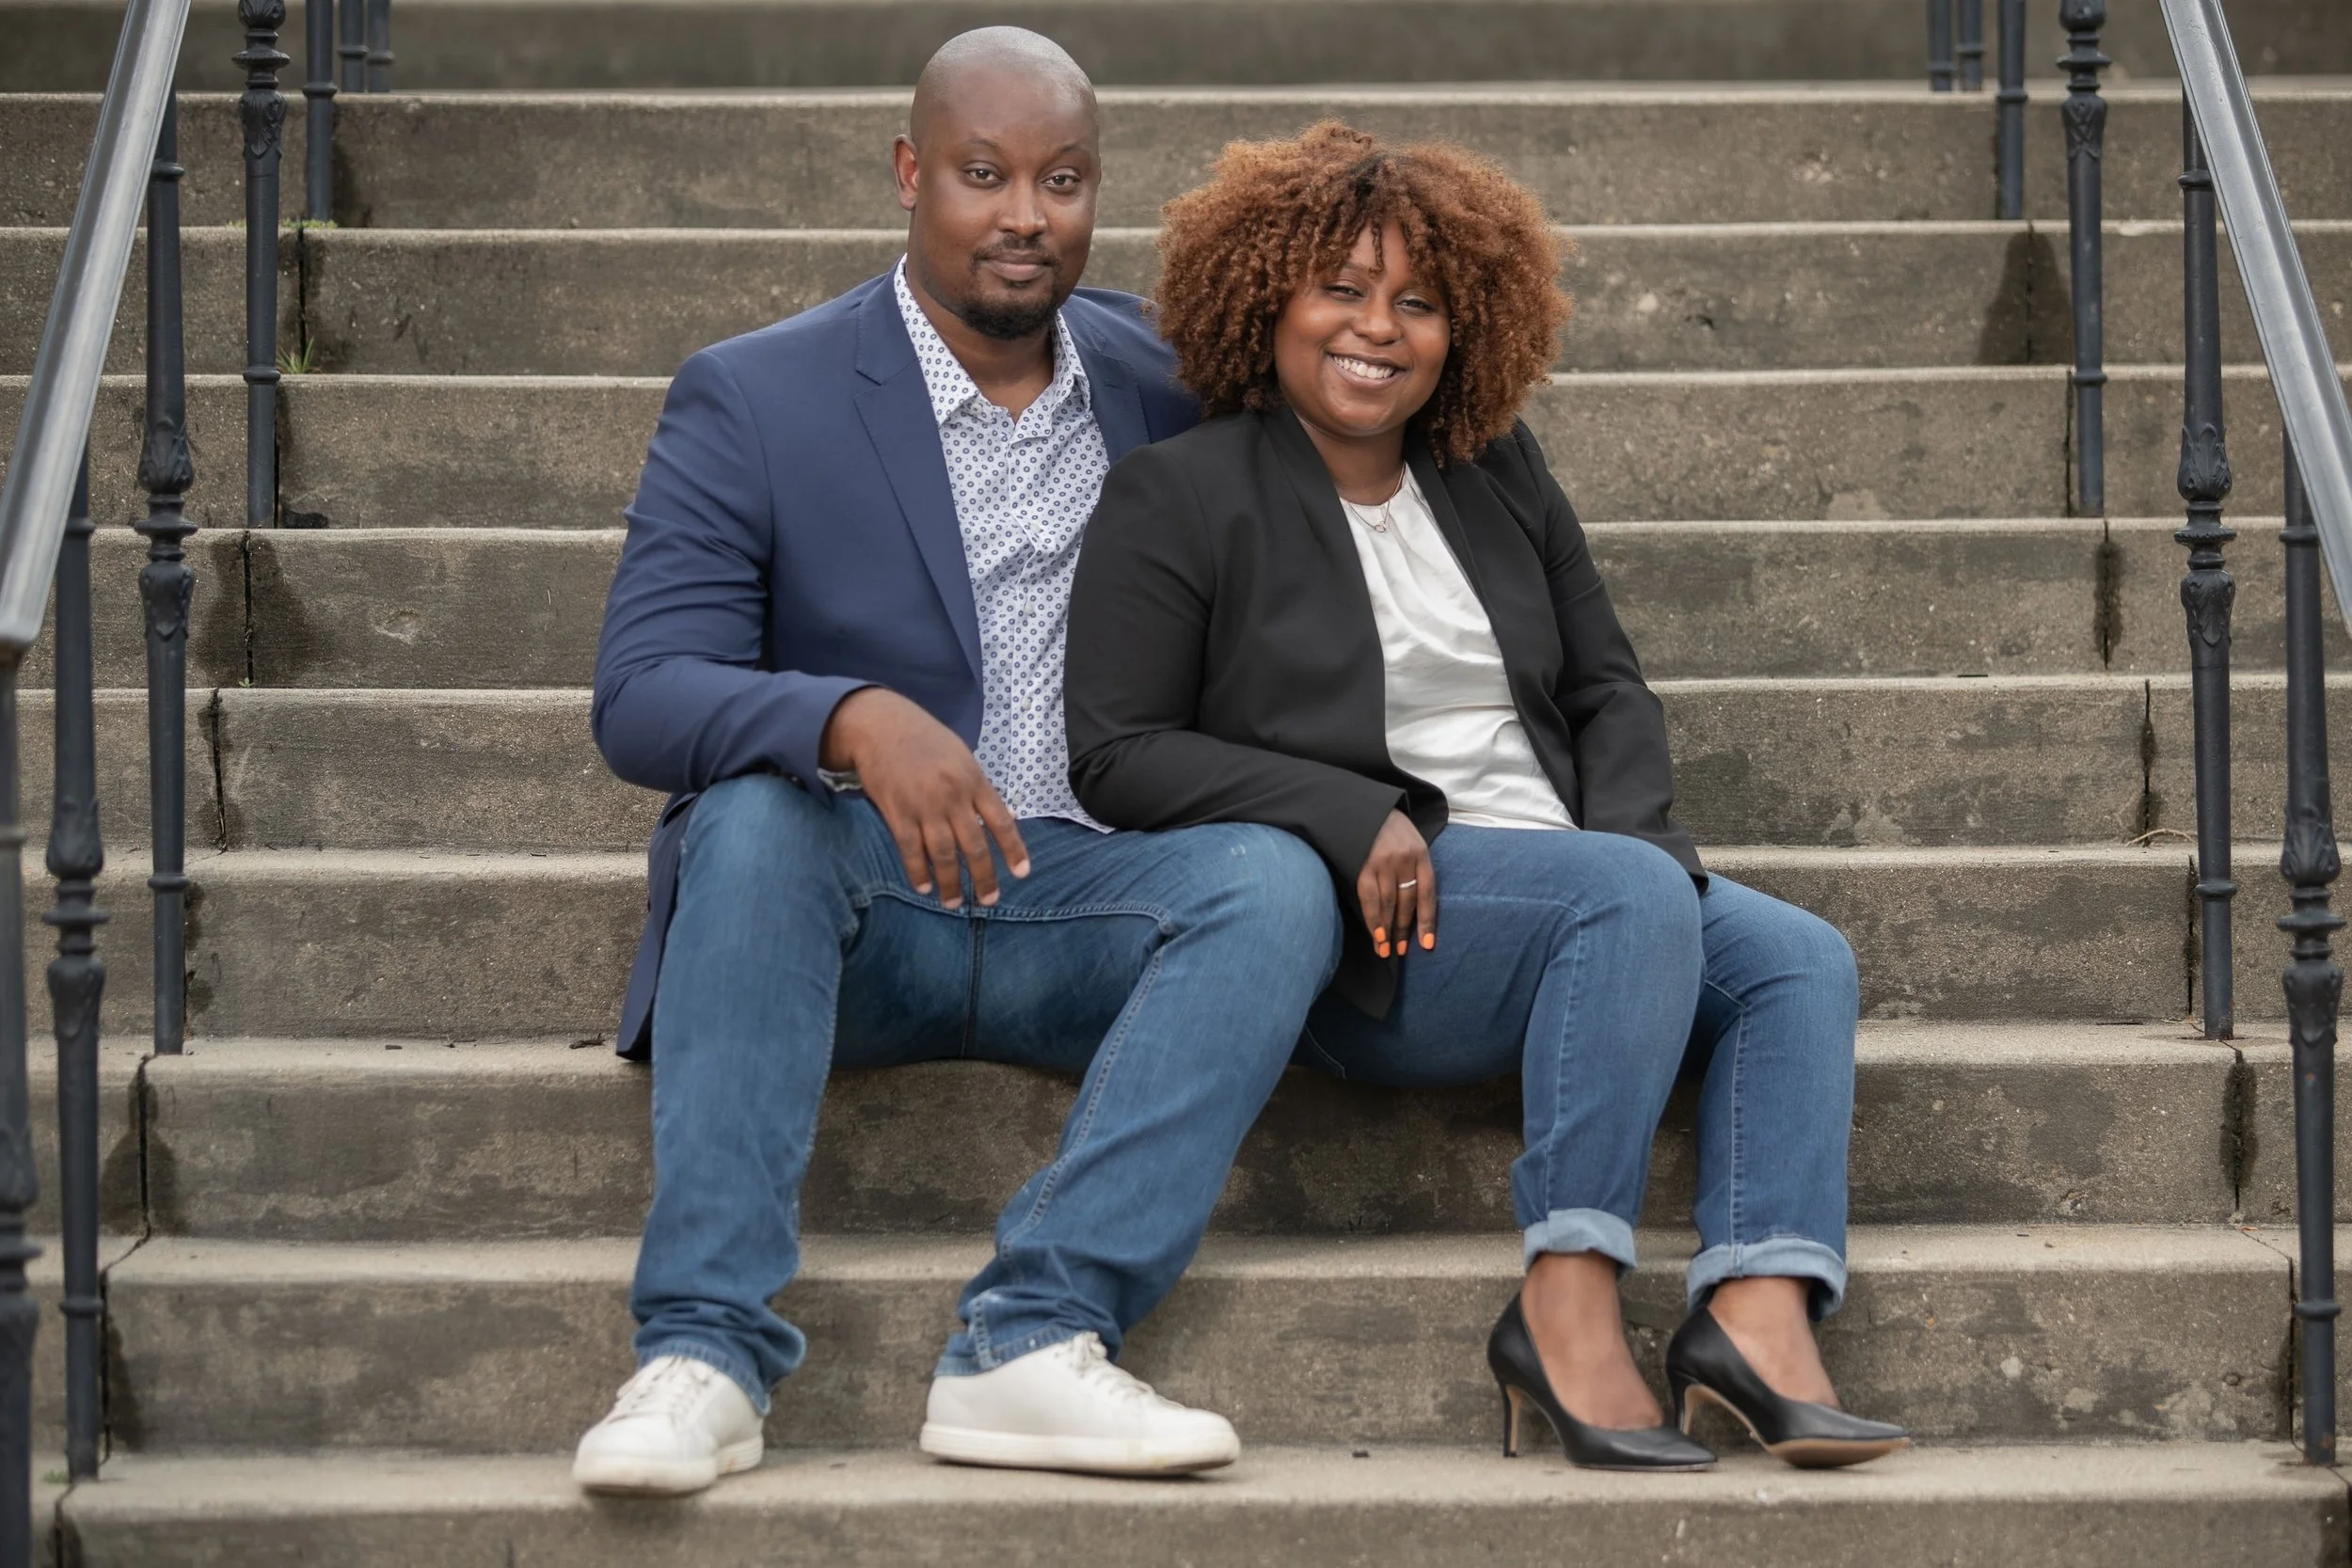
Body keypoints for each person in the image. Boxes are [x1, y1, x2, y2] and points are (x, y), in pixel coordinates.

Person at [1065, 123, 1909, 1471]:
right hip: (1379, 931)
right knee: (1635, 899)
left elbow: (1607, 690)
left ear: (1468, 328)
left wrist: (1633, 867)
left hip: (1573, 892)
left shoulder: (1493, 471)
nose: (1377, 328)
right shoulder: (1180, 493)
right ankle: (1562, 1300)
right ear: (1266, 295)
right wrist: (1347, 814)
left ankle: (1755, 1311)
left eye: (1420, 302)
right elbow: (1114, 749)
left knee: (1797, 959)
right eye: (1341, 287)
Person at [574, 31, 1343, 1496]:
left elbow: (1379, 407)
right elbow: (643, 693)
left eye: (1062, 181)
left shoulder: (1170, 382)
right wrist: (850, 715)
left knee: (1272, 879)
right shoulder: (756, 395)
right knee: (745, 817)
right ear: (912, 174)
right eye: (984, 176)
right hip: (867, 904)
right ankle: (702, 1358)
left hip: (1096, 893)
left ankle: (1035, 1334)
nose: (1024, 216)